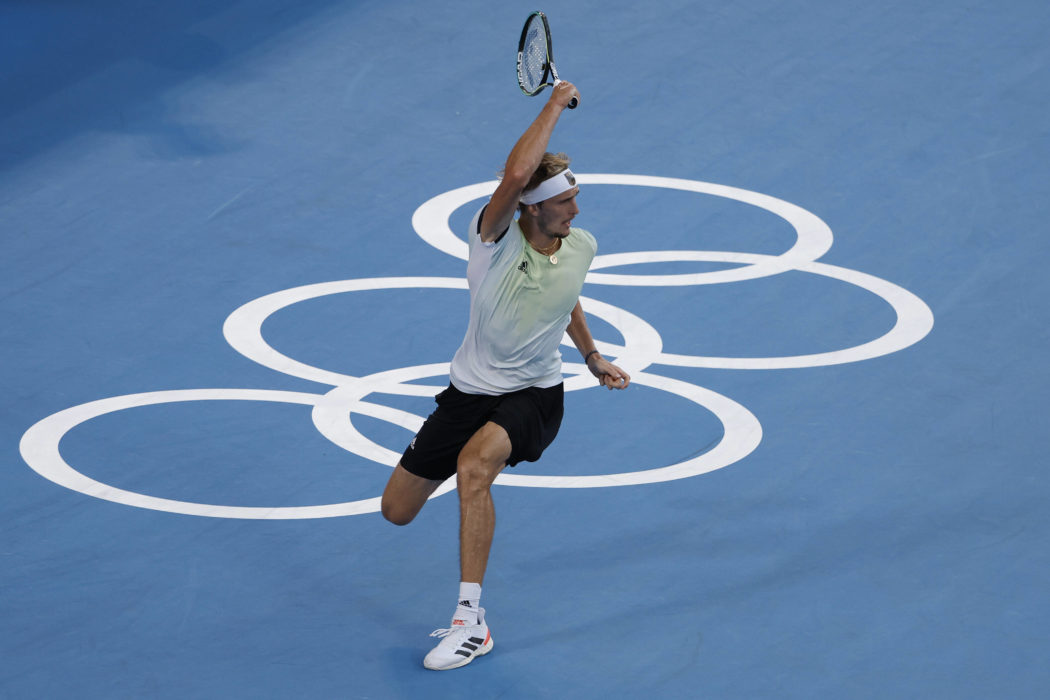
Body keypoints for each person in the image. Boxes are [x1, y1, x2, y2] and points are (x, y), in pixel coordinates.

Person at [380, 80, 630, 671]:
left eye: (577, 197)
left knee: (474, 469)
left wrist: (591, 356)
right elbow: (514, 178)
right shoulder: (491, 240)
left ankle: (471, 623)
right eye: (565, 201)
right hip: (469, 392)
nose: (577, 209)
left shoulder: (581, 244)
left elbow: (565, 299)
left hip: (536, 394)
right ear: (533, 206)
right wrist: (553, 104)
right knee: (396, 510)